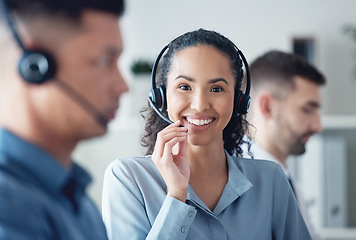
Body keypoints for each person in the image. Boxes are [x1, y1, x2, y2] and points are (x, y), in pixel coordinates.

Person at [102, 29, 311, 239]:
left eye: (217, 89)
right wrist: (175, 197)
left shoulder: (271, 180)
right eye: (184, 86)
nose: (200, 105)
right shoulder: (127, 178)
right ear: (161, 97)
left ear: (239, 100)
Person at [0, 0, 127, 239]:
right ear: (34, 66)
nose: (123, 86)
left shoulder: (78, 201)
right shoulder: (8, 210)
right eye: (105, 60)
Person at [242, 50, 326, 240]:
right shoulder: (238, 184)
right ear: (267, 107)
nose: (318, 126)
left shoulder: (285, 178)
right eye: (307, 109)